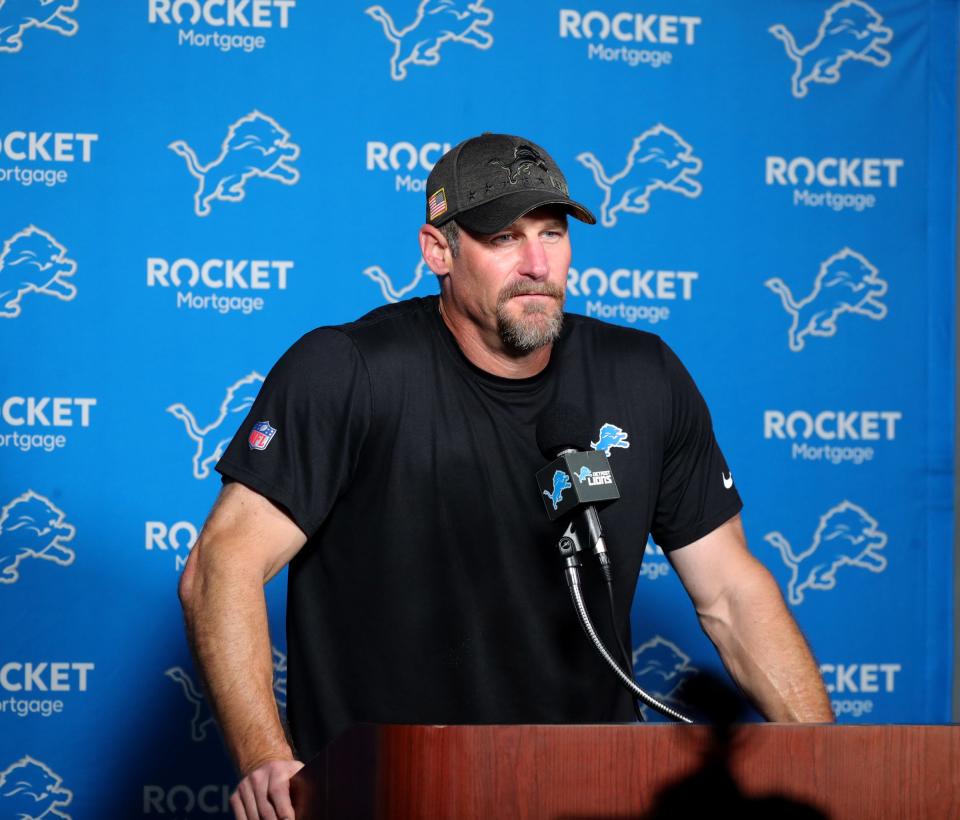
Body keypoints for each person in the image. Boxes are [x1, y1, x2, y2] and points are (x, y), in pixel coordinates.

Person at [178, 133, 834, 820]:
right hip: (393, 791)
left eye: (552, 234)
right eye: (502, 238)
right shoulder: (349, 371)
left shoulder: (644, 376)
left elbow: (731, 591)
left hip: (592, 793)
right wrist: (264, 759)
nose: (536, 264)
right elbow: (220, 566)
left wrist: (826, 767)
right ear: (439, 251)